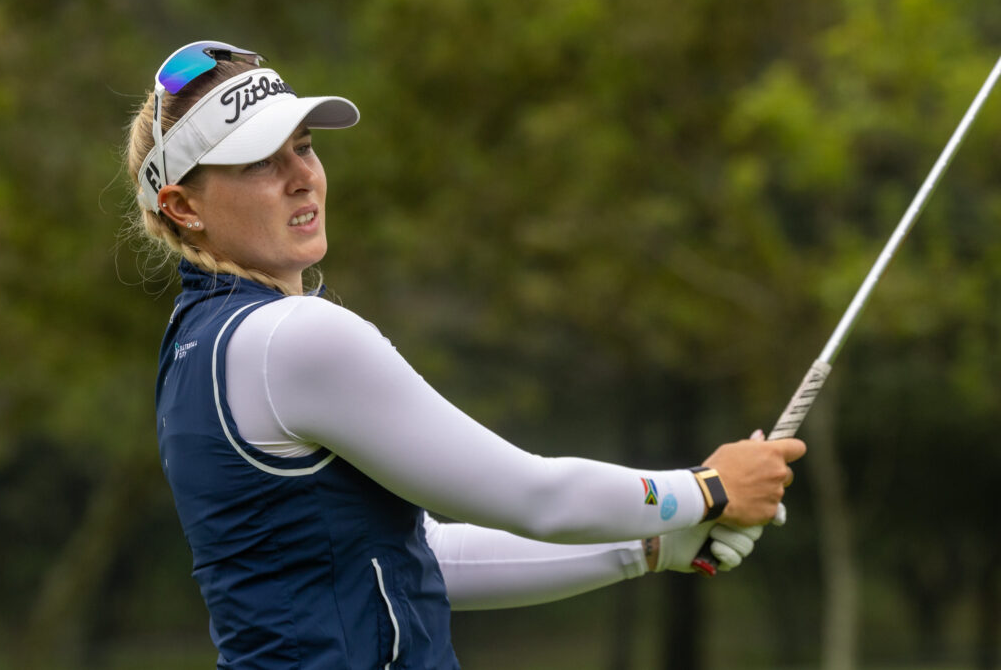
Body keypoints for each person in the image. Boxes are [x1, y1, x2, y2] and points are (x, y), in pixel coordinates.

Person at [123, 40, 806, 669]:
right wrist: (708, 489)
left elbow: (424, 556)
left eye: (303, 146)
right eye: (258, 162)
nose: (300, 176)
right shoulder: (292, 338)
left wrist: (650, 544)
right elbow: (536, 495)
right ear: (183, 205)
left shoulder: (197, 345)